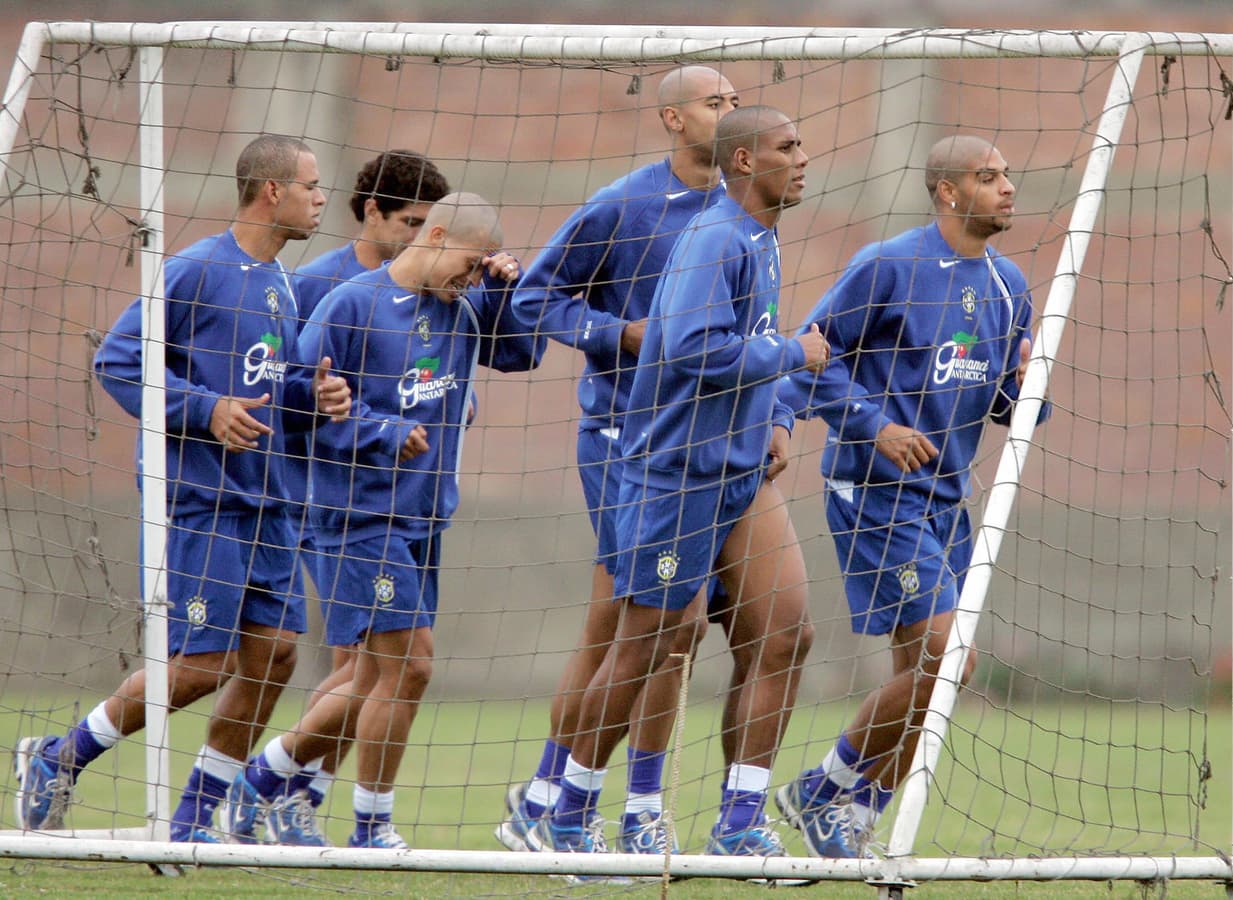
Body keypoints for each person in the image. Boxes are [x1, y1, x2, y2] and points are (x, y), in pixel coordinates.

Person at [13, 134, 351, 842]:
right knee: (202, 665)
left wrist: (310, 395)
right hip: (203, 502)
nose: (323, 198)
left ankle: (195, 818)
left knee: (277, 656)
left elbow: (261, 383)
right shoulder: (196, 270)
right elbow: (118, 360)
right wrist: (205, 409)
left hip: (271, 499)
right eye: (312, 186)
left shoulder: (281, 280)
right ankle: (58, 756)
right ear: (271, 192)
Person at [536, 105, 829, 869]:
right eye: (786, 147)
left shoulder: (760, 235)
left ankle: (740, 819)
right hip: (674, 474)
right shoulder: (714, 238)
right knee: (649, 645)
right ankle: (566, 814)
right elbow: (695, 348)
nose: (804, 158)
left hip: (739, 468)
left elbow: (736, 349)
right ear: (742, 162)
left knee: (787, 631)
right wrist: (793, 354)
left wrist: (769, 415)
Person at [220, 192, 544, 850]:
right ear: (438, 233)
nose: (471, 277)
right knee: (411, 669)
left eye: (483, 268)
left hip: (424, 515)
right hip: (357, 514)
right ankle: (370, 824)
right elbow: (294, 398)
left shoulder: (468, 304)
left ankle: (264, 777)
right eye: (470, 262)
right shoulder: (351, 303)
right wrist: (371, 424)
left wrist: (505, 292)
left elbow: (520, 356)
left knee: (370, 675)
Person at [774, 135, 1047, 858]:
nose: (1007, 187)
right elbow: (807, 357)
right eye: (988, 177)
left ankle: (851, 820)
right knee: (948, 658)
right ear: (948, 192)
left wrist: (1030, 385)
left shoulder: (1008, 284)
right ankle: (824, 789)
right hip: (875, 489)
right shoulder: (889, 265)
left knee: (923, 677)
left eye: (1007, 174)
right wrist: (877, 425)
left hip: (946, 499)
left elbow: (1008, 405)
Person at [503, 65, 740, 858]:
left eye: (738, 101)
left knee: (677, 631)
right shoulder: (623, 204)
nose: (730, 112)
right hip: (626, 441)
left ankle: (629, 805)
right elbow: (534, 299)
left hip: (710, 443)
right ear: (673, 118)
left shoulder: (745, 207)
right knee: (627, 624)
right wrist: (620, 334)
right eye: (716, 102)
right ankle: (554, 800)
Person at [227, 150, 451, 843]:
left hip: (412, 498)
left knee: (378, 668)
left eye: (429, 225)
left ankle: (295, 791)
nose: (418, 238)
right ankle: (280, 788)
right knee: (375, 665)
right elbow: (289, 391)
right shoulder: (322, 285)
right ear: (373, 212)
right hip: (330, 498)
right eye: (408, 222)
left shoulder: (440, 290)